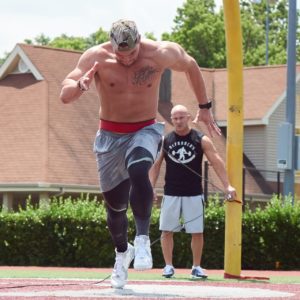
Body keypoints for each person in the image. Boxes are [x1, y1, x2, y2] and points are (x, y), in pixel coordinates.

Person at [59, 19, 221, 289]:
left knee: (138, 169)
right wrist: (81, 86)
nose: (127, 60)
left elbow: (191, 64)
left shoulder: (159, 52)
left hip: (145, 129)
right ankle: (122, 253)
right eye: (121, 55)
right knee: (115, 207)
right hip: (109, 135)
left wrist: (204, 106)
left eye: (132, 54)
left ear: (139, 40)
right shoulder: (96, 57)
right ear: (112, 47)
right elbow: (65, 95)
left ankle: (143, 238)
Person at [149, 104, 236, 279]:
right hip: (171, 193)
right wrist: (150, 188)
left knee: (197, 231)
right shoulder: (165, 140)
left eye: (181, 117)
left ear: (188, 117)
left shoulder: (201, 139)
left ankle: (196, 266)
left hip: (194, 194)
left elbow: (216, 161)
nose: (178, 121)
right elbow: (155, 165)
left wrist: (227, 185)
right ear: (171, 120)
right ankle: (168, 266)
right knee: (166, 230)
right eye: (175, 118)